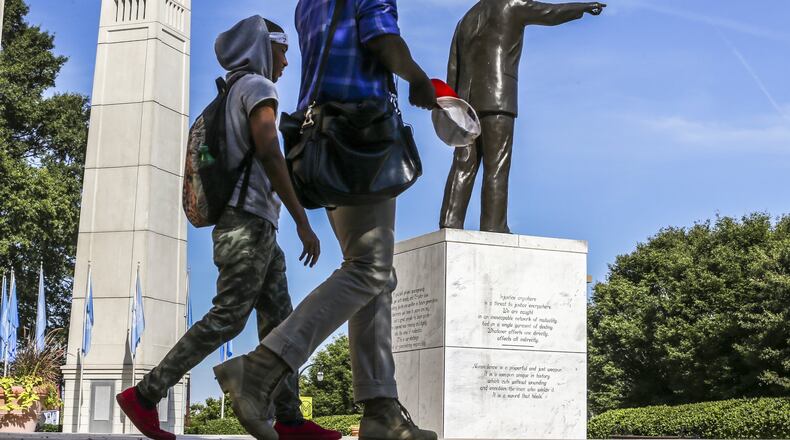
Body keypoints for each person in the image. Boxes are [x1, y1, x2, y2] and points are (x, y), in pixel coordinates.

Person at [210, 1, 438, 440]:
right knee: (369, 269)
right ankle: (260, 370)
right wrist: (418, 79)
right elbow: (381, 38)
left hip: (321, 142)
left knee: (373, 273)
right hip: (360, 138)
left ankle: (380, 410)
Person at [116, 16, 340, 440]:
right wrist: (302, 220)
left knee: (279, 322)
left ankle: (289, 420)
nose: (287, 60)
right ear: (262, 48)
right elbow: (270, 151)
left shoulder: (233, 90)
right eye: (282, 49)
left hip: (255, 228)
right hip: (247, 226)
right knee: (228, 318)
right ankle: (145, 395)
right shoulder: (258, 87)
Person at [439, 0, 606, 233]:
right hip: (497, 97)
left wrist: (452, 107)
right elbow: (550, 12)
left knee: (463, 164)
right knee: (496, 165)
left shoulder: (465, 20)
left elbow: (453, 68)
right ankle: (493, 226)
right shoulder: (511, 4)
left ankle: (450, 222)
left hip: (465, 102)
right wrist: (583, 7)